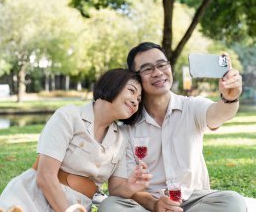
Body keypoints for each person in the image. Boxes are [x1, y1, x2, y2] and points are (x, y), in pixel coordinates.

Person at [99, 42, 246, 212]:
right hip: (147, 204)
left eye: (162, 65)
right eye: (147, 69)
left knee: (232, 202)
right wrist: (153, 204)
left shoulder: (191, 107)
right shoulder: (126, 128)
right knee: (110, 206)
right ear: (136, 77)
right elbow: (122, 188)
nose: (158, 73)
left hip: (193, 201)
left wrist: (230, 98)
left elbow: (219, 114)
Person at [0, 68, 152, 212]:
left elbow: (116, 188)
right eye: (131, 91)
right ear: (112, 85)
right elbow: (45, 176)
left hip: (78, 206)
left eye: (139, 99)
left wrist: (131, 186)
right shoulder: (68, 116)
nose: (135, 102)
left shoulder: (121, 139)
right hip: (31, 200)